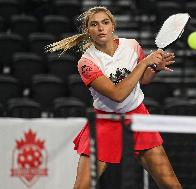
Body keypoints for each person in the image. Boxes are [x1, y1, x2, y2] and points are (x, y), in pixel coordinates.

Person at [47, 6, 182, 189]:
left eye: (105, 22)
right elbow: (117, 94)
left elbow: (143, 79)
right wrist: (144, 63)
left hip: (137, 118)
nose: (101, 28)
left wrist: (154, 69)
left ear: (113, 26)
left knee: (171, 185)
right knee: (82, 187)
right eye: (94, 25)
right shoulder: (87, 63)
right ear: (88, 31)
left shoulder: (132, 45)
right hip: (105, 122)